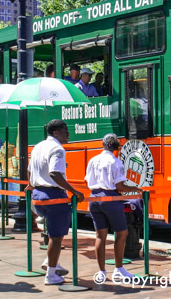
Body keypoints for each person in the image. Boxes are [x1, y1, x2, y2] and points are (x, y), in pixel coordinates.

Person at [27, 119, 85, 285]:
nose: (68, 134)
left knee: (52, 233)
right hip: (53, 196)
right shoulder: (57, 149)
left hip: (38, 196)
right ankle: (51, 275)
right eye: (65, 130)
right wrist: (74, 191)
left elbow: (29, 170)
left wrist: (31, 186)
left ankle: (50, 261)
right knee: (56, 237)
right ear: (56, 133)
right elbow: (55, 173)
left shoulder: (38, 146)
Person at [85, 133, 143, 284]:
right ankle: (119, 268)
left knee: (100, 236)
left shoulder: (93, 160)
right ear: (116, 147)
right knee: (122, 233)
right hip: (110, 198)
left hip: (94, 198)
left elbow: (88, 181)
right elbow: (121, 187)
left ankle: (102, 271)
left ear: (103, 144)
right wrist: (137, 189)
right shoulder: (115, 162)